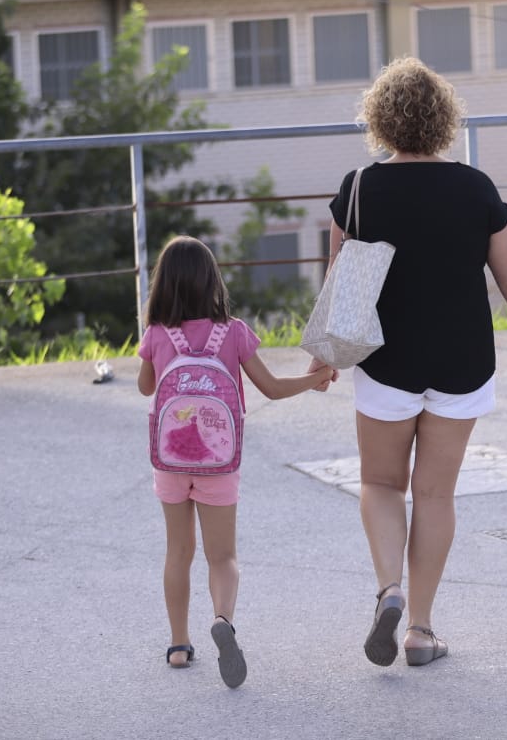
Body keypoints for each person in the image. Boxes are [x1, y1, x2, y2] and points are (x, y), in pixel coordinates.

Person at [314, 57, 507, 668]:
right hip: (462, 362)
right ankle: (421, 630)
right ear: (444, 119)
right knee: (434, 494)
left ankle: (389, 589)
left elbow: (338, 282)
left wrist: (326, 358)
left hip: (385, 359)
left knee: (380, 484)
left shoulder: (359, 188)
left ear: (380, 119)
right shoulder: (476, 188)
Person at [137, 235, 337, 687]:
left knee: (178, 551)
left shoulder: (157, 335)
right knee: (222, 555)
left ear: (163, 285)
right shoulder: (233, 332)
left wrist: (157, 353)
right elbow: (272, 389)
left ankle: (178, 645)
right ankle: (222, 619)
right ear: (212, 281)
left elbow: (147, 388)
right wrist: (318, 377)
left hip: (170, 462)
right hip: (219, 462)